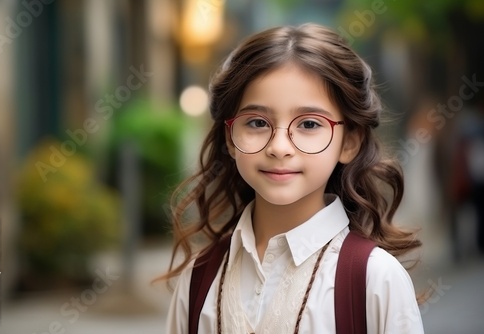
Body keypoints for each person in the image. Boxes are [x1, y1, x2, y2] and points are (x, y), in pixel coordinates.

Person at [163, 23, 424, 333]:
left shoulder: (376, 279)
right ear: (230, 138)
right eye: (258, 122)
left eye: (310, 124)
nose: (279, 147)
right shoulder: (198, 280)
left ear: (350, 141)